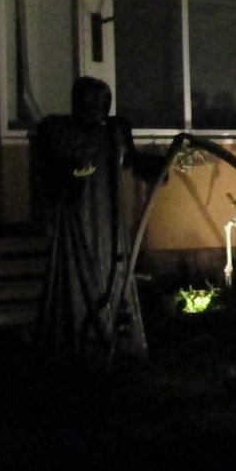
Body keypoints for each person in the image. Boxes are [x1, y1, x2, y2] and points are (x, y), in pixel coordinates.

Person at [31, 77, 164, 367]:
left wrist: (159, 167)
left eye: (102, 103)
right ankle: (79, 341)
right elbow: (48, 171)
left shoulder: (114, 132)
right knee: (79, 273)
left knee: (112, 269)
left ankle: (114, 337)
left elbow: (131, 161)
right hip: (77, 217)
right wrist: (69, 175)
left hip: (109, 218)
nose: (97, 110)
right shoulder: (58, 131)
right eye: (91, 102)